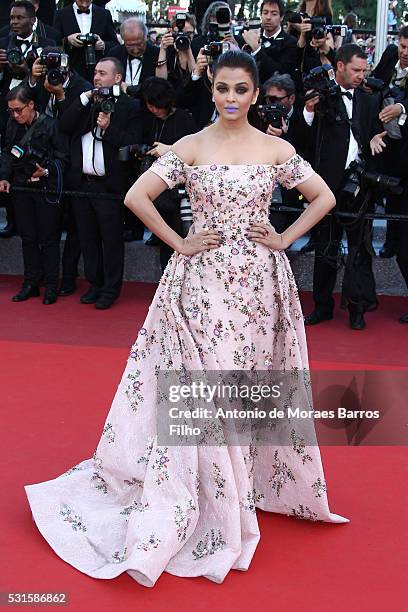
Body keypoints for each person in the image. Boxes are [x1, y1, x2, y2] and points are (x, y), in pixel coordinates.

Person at [25, 50, 348, 587]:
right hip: (200, 284)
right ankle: (207, 494)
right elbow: (137, 194)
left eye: (241, 90)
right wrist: (180, 242)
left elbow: (324, 196)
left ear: (255, 92)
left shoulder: (277, 149)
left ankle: (237, 484)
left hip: (259, 284)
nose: (230, 99)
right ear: (211, 88)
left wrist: (285, 239)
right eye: (221, 88)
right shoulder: (189, 147)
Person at [58, 57, 142, 309]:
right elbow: (65, 126)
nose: (96, 77)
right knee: (88, 238)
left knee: (111, 241)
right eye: (95, 72)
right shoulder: (86, 103)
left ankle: (110, 288)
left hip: (110, 187)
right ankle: (95, 283)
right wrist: (84, 99)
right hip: (82, 184)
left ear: (117, 78)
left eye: (102, 73)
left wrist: (108, 128)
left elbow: (132, 141)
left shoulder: (129, 106)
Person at [0, 85, 68, 304]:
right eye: (11, 111)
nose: (15, 115)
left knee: (49, 239)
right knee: (27, 238)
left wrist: (46, 171)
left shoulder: (51, 125)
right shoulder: (12, 125)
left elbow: (63, 158)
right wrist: (4, 177)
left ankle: (50, 285)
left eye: (18, 110)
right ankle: (30, 282)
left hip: (46, 189)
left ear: (31, 105)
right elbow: (8, 153)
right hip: (21, 188)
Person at [53, 0, 118, 80]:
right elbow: (54, 42)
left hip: (97, 71)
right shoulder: (61, 14)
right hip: (71, 70)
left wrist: (103, 45)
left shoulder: (104, 14)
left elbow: (115, 44)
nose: (84, 4)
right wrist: (67, 40)